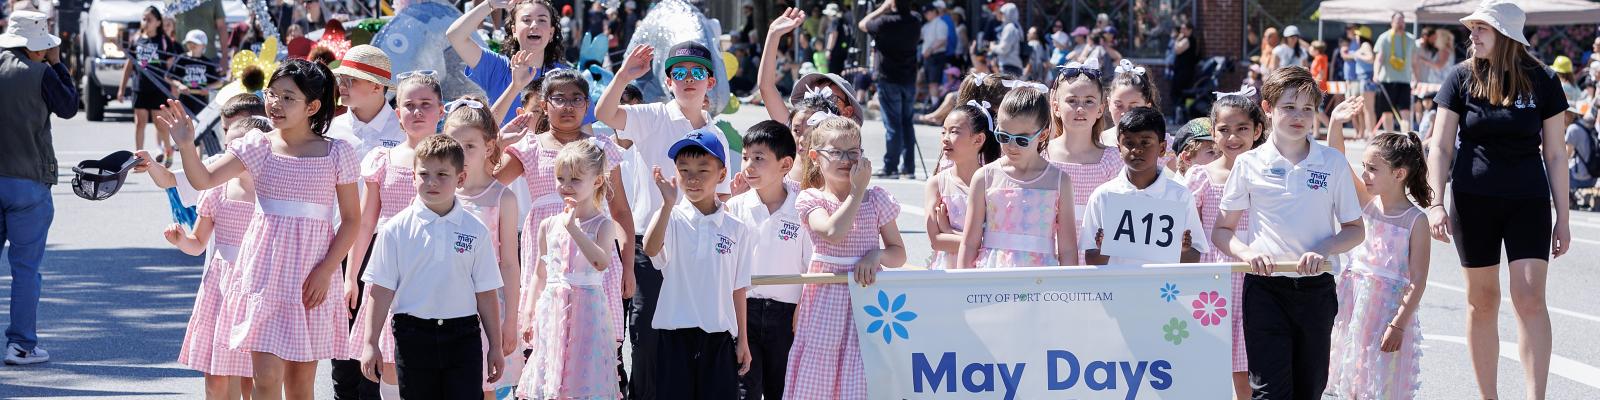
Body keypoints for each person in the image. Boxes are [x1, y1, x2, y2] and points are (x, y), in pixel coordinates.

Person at [165, 59, 362, 399]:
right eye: (272, 94)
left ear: (312, 107)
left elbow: (352, 220)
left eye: (288, 98)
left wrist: (327, 270)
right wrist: (185, 144)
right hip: (264, 275)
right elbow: (204, 179)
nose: (275, 103)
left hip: (312, 277)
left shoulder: (336, 152)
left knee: (300, 386)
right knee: (266, 378)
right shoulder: (258, 144)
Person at [1425, 2, 1571, 398]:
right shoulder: (1460, 77)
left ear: (1505, 34)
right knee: (1482, 300)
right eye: (1472, 28)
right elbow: (1440, 146)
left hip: (1528, 200)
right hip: (1473, 200)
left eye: (1481, 28)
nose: (1472, 35)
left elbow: (1556, 154)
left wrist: (1564, 218)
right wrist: (1435, 203)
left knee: (1530, 298)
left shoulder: (1543, 79)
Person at [1212, 67, 1365, 400]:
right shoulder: (1248, 163)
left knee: (1309, 389)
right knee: (1269, 392)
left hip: (1317, 290)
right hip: (1265, 290)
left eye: (1307, 109)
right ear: (1268, 108)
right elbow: (1222, 231)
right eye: (1289, 107)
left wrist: (1325, 247)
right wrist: (1247, 253)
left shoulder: (1333, 162)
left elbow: (1355, 230)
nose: (1299, 116)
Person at [594, 41, 732, 400]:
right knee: (647, 339)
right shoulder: (653, 116)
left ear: (710, 82)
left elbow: (723, 200)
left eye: (697, 72)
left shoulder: (717, 135)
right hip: (650, 244)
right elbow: (605, 113)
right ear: (668, 81)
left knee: (687, 339)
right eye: (679, 73)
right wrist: (624, 75)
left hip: (697, 250)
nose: (688, 79)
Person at [494, 70, 631, 390]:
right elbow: (490, 183)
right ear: (544, 105)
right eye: (559, 98)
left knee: (593, 352)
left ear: (587, 105)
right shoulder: (529, 147)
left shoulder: (600, 147)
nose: (568, 106)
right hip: (548, 256)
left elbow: (621, 210)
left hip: (594, 252)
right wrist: (499, 142)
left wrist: (628, 266)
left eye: (576, 99)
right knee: (545, 346)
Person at [356, 135, 505, 399]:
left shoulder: (476, 230)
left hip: (463, 336)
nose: (432, 182)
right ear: (413, 177)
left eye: (442, 174)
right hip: (412, 335)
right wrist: (370, 342)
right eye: (424, 174)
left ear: (460, 178)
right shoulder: (395, 230)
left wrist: (495, 345)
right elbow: (380, 290)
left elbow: (486, 292)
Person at [785, 117, 906, 398]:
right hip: (826, 296)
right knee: (821, 365)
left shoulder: (876, 198)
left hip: (868, 296)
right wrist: (856, 191)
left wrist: (876, 255)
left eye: (853, 152)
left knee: (862, 364)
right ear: (815, 157)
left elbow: (898, 253)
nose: (845, 159)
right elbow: (832, 232)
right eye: (836, 152)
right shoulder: (811, 198)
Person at [343, 71, 446, 398]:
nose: (417, 112)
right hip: (390, 270)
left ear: (440, 111)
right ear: (397, 112)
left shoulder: (455, 159)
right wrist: (351, 277)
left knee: (437, 361)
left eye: (426, 104)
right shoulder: (382, 159)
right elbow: (365, 223)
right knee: (389, 362)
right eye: (409, 105)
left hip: (440, 268)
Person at [148, 117, 263, 399]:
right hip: (221, 290)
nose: (230, 155)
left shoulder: (274, 192)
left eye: (238, 148)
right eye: (228, 147)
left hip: (258, 287)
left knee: (255, 377)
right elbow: (197, 243)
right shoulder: (217, 190)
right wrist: (180, 239)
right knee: (216, 378)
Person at [1323, 103, 1432, 399]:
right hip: (1354, 302)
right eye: (1364, 167)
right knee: (1351, 376)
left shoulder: (1415, 220)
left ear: (1399, 174)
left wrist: (1399, 324)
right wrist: (1335, 122)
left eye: (1373, 169)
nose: (1365, 175)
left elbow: (1418, 280)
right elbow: (1338, 161)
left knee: (1380, 381)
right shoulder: (1368, 202)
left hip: (1387, 313)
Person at [641, 129, 754, 399]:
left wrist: (743, 340)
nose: (692, 178)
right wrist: (667, 205)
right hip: (674, 337)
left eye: (703, 170)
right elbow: (650, 248)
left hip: (719, 338)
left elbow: (738, 288)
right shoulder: (671, 217)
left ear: (722, 174)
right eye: (684, 170)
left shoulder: (736, 228)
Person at [514, 138, 622, 399]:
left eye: (575, 179)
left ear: (597, 181)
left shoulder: (603, 225)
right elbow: (540, 273)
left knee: (581, 378)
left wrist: (573, 228)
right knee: (551, 374)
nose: (566, 186)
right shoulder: (548, 224)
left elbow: (600, 262)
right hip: (553, 310)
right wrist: (528, 312)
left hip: (587, 312)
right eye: (561, 178)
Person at [324, 44, 402, 400]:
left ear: (376, 86)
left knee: (381, 338)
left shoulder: (405, 127)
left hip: (387, 244)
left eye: (352, 79)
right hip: (338, 242)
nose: (342, 85)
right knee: (341, 339)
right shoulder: (331, 129)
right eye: (341, 78)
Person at [0, 9, 76, 365]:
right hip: (27, 180)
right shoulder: (41, 73)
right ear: (35, 45)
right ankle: (21, 345)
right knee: (25, 269)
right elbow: (69, 106)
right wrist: (57, 64)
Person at [1183, 90, 1267, 400]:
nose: (1233, 137)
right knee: (1207, 359)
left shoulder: (1268, 173)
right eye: (1224, 129)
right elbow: (1185, 228)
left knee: (1247, 367)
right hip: (1212, 282)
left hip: (1257, 278)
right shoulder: (1202, 176)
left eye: (1242, 128)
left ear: (1257, 130)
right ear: (1213, 132)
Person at [442, 94, 524, 396]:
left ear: (489, 147)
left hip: (489, 307)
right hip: (443, 303)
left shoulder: (503, 197)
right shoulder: (438, 192)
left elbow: (510, 264)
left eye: (470, 146)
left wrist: (510, 320)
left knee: (487, 387)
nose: (461, 153)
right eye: (454, 145)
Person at [725, 121, 809, 399]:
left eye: (759, 158)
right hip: (743, 311)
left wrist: (801, 308)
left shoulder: (803, 208)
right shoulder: (734, 207)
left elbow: (812, 264)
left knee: (782, 390)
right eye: (745, 157)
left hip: (787, 316)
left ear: (786, 164)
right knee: (744, 389)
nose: (748, 166)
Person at [957, 88, 1076, 268]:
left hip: (1040, 276)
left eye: (1022, 140)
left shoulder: (1059, 180)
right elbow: (969, 243)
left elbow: (1067, 249)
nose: (1011, 146)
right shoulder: (985, 177)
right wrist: (963, 281)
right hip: (993, 272)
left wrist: (1067, 283)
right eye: (1003, 136)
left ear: (1043, 135)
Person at [1082, 107, 1208, 265]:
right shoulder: (1103, 196)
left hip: (1164, 282)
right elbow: (1091, 259)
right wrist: (1104, 249)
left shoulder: (1180, 196)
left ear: (1162, 148)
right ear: (1119, 148)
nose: (1137, 150)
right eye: (1129, 143)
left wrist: (1182, 250)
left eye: (1145, 143)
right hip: (1117, 281)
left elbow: (1194, 256)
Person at [1046, 60, 1124, 264]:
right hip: (1049, 259)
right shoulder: (1043, 156)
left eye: (1089, 101)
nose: (1080, 108)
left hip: (1099, 261)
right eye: (1072, 100)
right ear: (1056, 107)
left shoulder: (1113, 160)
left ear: (1100, 109)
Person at [448, 0, 571, 125]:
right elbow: (455, 36)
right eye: (526, 20)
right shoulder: (497, 66)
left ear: (551, 33)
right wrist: (490, 4)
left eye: (542, 20)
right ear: (514, 31)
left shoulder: (564, 77)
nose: (534, 25)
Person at [925, 101, 1000, 269]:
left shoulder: (994, 182)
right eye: (943, 132)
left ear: (978, 139)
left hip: (985, 269)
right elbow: (936, 241)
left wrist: (949, 231)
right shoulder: (937, 184)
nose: (945, 138)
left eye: (954, 132)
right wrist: (977, 243)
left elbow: (998, 242)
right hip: (948, 269)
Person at [859, 0, 921, 179]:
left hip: (889, 78)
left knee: (893, 125)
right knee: (907, 123)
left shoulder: (885, 21)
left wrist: (882, 8)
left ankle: (891, 166)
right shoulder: (915, 20)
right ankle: (908, 167)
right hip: (908, 78)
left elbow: (862, 24)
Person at [118, 6, 177, 165]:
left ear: (158, 22)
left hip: (158, 88)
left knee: (160, 124)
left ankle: (168, 150)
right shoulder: (137, 38)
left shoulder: (164, 41)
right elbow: (129, 65)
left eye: (149, 19)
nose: (145, 22)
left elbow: (171, 68)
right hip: (140, 88)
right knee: (140, 123)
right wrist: (122, 88)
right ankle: (138, 156)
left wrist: (174, 88)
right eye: (144, 19)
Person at [1373, 12, 1420, 132]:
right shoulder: (1384, 38)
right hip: (1387, 81)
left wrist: (1416, 78)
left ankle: (1406, 138)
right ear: (1392, 23)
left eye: (1402, 22)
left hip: (1404, 81)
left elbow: (1414, 61)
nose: (1400, 24)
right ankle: (1389, 137)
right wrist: (1376, 74)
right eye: (1398, 22)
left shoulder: (1410, 39)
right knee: (1387, 113)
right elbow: (1379, 59)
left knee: (1405, 112)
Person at [1103, 59, 1161, 147]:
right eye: (1118, 105)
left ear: (1147, 107)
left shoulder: (1160, 144)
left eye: (1134, 107)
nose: (1125, 113)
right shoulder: (1098, 142)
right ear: (1109, 103)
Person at [169, 29, 222, 116]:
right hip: (184, 100)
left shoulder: (207, 63)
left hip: (201, 102)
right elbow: (168, 77)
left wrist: (208, 87)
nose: (192, 45)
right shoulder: (182, 59)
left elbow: (219, 82)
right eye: (189, 42)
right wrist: (179, 85)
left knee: (200, 123)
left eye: (195, 43)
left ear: (204, 45)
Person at [919, 4, 948, 107]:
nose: (926, 15)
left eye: (927, 12)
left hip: (936, 56)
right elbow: (920, 37)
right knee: (928, 82)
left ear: (934, 12)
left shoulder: (941, 23)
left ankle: (935, 106)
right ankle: (934, 104)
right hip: (927, 57)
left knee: (934, 83)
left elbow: (942, 40)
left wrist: (930, 50)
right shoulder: (926, 26)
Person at [1169, 22, 1199, 118]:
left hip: (1184, 73)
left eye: (1184, 28)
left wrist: (1177, 39)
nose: (1181, 31)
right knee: (1178, 93)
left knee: (1179, 93)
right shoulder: (1187, 39)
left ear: (1190, 30)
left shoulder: (1188, 40)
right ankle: (1179, 115)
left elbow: (1177, 50)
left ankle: (1180, 115)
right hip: (1182, 71)